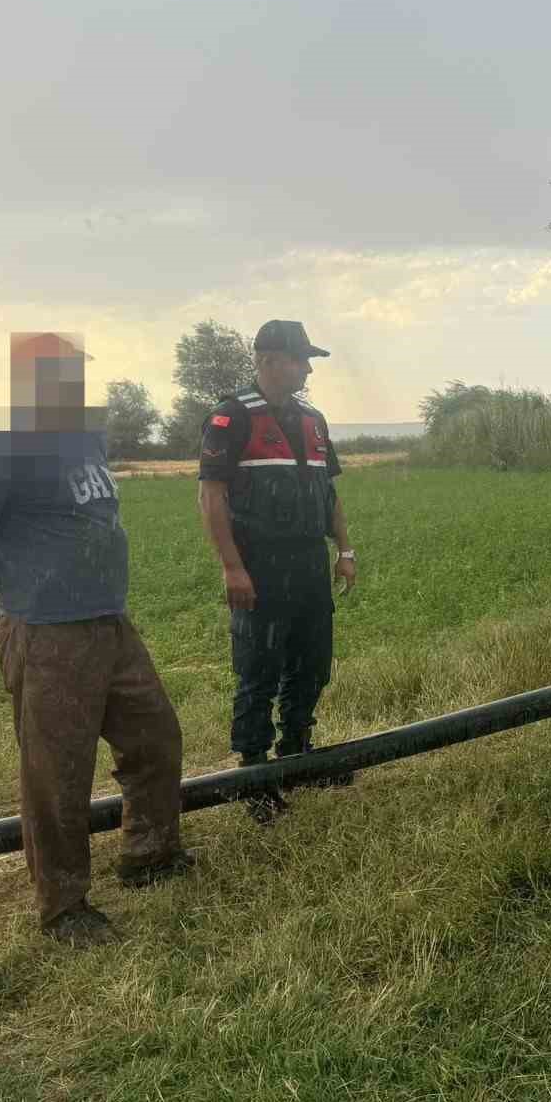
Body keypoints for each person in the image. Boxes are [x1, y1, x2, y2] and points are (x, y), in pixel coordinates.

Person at [0, 332, 190, 948]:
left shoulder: (83, 438)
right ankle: (63, 907)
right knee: (57, 776)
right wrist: (0, 599)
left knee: (155, 738)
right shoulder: (2, 446)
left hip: (109, 622)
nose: (75, 384)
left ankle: (149, 855)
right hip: (47, 635)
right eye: (62, 373)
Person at [197, 319, 356, 822]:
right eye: (299, 359)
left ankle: (297, 754)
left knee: (312, 665)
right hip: (260, 566)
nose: (308, 369)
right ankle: (254, 776)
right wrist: (232, 567)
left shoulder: (313, 419)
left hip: (309, 563)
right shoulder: (231, 418)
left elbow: (329, 493)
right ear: (267, 361)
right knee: (258, 672)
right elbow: (211, 497)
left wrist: (345, 550)